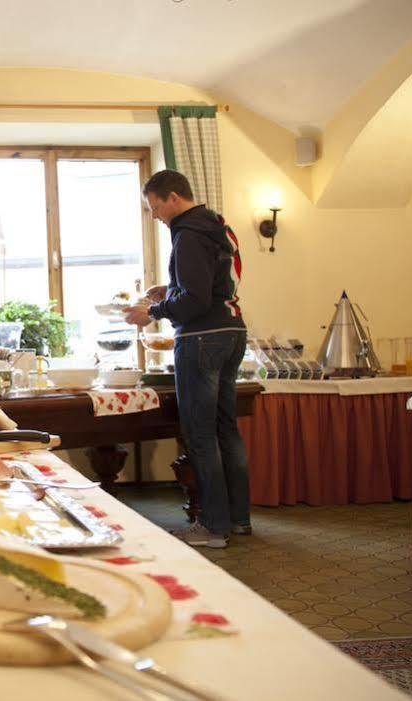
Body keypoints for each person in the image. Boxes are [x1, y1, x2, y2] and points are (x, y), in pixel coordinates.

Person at [125, 169, 249, 549]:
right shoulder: (216, 226)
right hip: (232, 331)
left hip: (201, 338)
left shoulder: (188, 233)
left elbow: (194, 302)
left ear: (174, 198)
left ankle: (212, 526)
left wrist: (154, 311)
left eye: (155, 206)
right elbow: (216, 285)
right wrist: (172, 289)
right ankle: (237, 518)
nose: (154, 214)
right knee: (226, 429)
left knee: (200, 433)